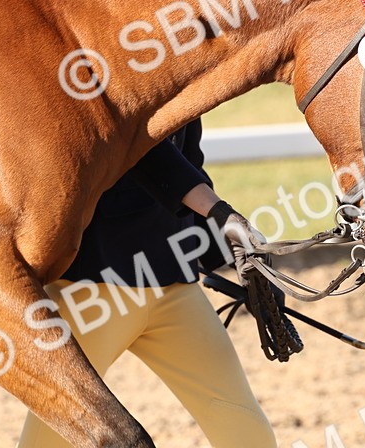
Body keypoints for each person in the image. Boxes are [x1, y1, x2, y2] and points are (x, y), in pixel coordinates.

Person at [17, 118, 279, 448]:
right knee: (47, 444)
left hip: (175, 287)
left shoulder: (183, 72)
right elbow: (139, 144)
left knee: (249, 436)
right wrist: (220, 210)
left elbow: (189, 163)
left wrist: (237, 264)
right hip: (93, 288)